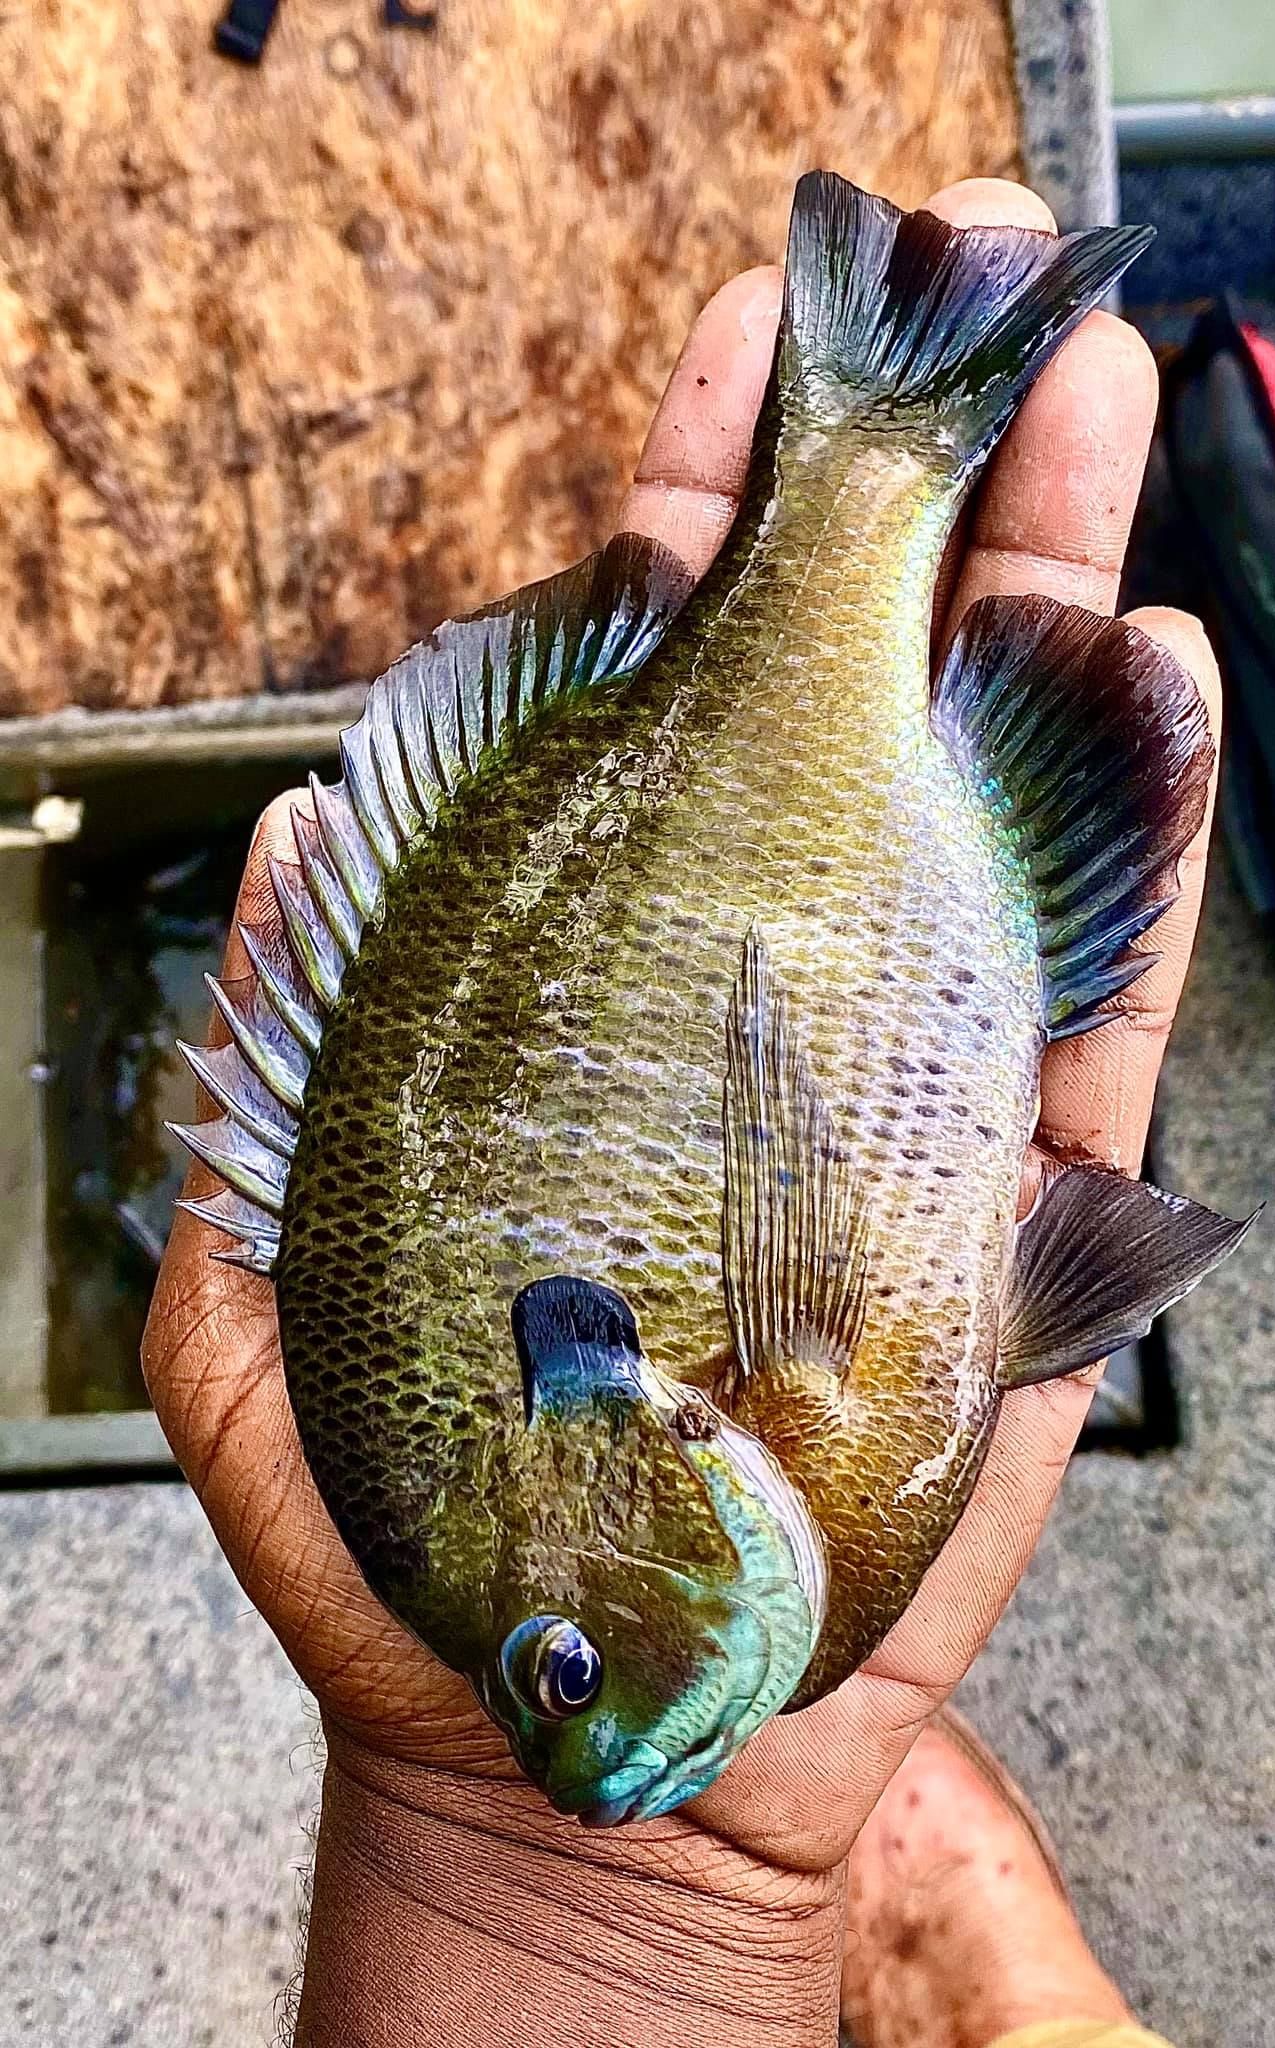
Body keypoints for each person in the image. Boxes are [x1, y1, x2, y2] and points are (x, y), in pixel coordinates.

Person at [143, 172, 1218, 2048]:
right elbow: (1050, 1273)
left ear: (583, 1444)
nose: (572, 1752)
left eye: (552, 1670)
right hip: (929, 884)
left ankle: (875, 422)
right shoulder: (528, 1496)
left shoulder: (489, 1474)